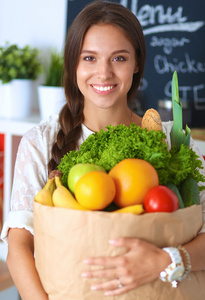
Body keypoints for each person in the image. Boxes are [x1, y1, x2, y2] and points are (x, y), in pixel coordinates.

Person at [1, 1, 205, 299]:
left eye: (119, 58)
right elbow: (19, 245)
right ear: (73, 64)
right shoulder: (40, 141)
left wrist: (165, 261)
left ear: (137, 63)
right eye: (89, 58)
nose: (104, 72)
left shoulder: (173, 142)